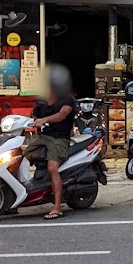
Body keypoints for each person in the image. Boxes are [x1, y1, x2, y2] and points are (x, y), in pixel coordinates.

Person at [27, 65, 76, 220]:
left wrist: (45, 120)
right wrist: (35, 121)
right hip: (43, 138)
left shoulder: (67, 99)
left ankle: (57, 207)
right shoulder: (41, 100)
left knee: (52, 168)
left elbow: (62, 115)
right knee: (19, 157)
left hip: (59, 139)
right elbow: (34, 116)